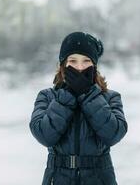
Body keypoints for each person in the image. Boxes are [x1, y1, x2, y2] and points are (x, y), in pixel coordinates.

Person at [30, 31, 128, 185]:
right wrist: (67, 95)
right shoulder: (47, 97)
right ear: (63, 65)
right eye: (73, 61)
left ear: (94, 65)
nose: (80, 67)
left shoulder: (110, 97)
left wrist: (88, 94)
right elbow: (44, 135)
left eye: (86, 61)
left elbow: (114, 134)